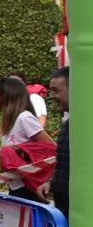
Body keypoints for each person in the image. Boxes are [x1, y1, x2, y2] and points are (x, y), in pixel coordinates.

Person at [48, 67, 70, 218]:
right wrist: (51, 183)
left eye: (56, 91)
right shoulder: (68, 123)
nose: (53, 96)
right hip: (64, 206)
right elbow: (64, 161)